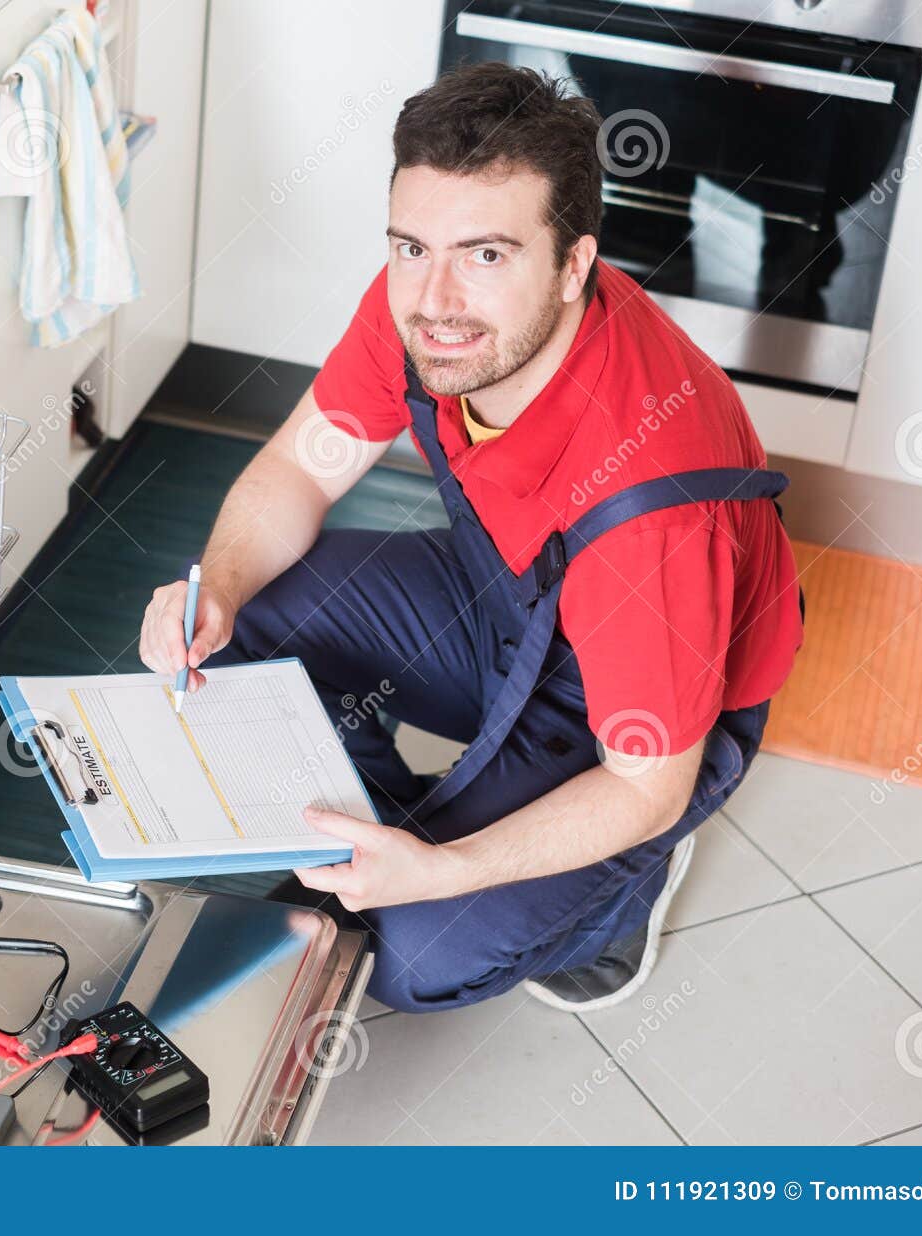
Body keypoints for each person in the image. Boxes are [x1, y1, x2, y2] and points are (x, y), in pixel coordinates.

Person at [136, 63, 803, 1014]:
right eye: (412, 246)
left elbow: (644, 783)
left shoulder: (653, 500)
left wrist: (448, 874)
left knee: (407, 956)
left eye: (486, 255)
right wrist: (219, 587)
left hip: (642, 702)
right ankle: (383, 834)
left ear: (575, 265)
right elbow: (297, 470)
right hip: (512, 594)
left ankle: (611, 900)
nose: (436, 298)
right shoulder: (424, 313)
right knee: (253, 615)